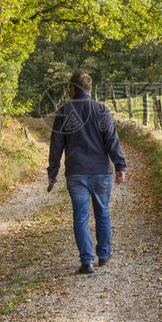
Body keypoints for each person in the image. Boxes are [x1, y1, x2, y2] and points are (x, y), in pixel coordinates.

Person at [47, 72, 126, 274]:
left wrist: (53, 171)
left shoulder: (64, 112)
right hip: (101, 171)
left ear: (72, 89)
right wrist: (120, 166)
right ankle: (104, 254)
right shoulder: (102, 110)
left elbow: (56, 145)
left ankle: (87, 261)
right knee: (103, 212)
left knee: (80, 217)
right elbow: (112, 140)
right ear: (90, 89)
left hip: (76, 173)